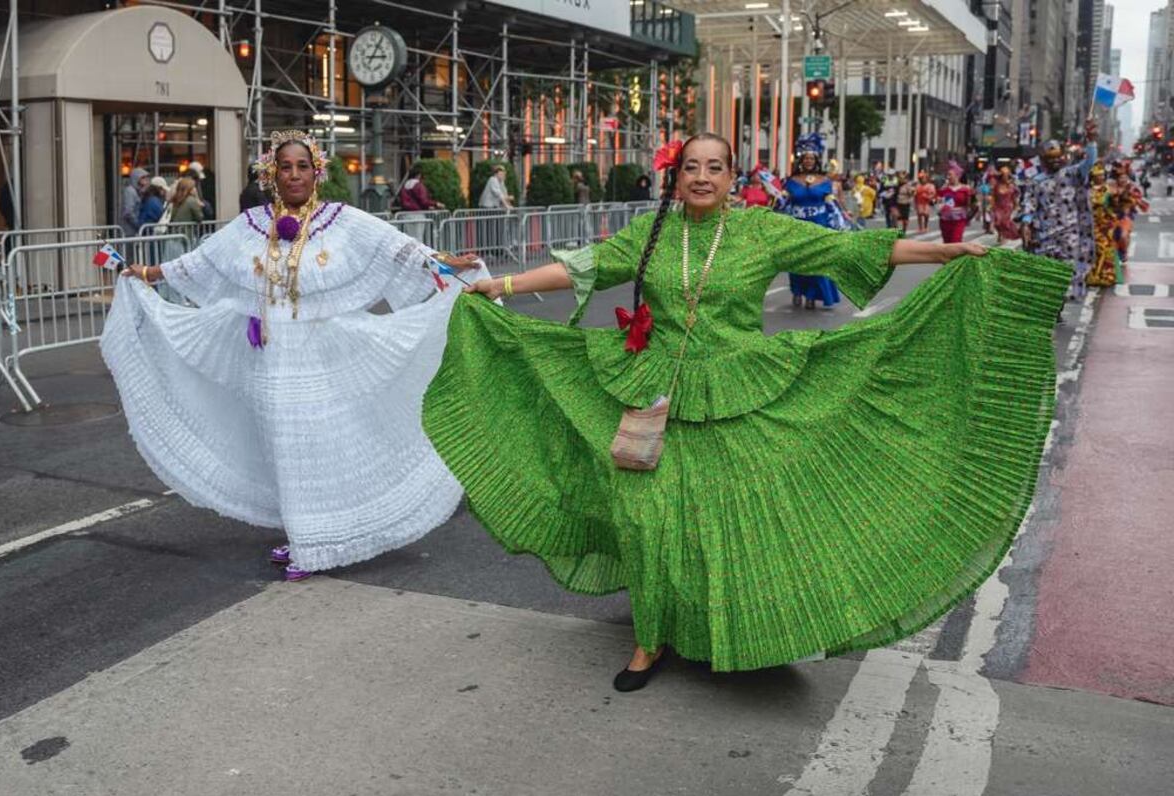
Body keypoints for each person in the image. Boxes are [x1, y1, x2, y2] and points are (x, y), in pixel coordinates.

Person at [422, 132, 1071, 692]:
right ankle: (650, 637)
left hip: (736, 390)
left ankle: (721, 625)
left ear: (734, 178)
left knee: (719, 512)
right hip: (649, 389)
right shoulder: (652, 232)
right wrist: (498, 285)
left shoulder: (760, 229)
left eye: (714, 167)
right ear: (675, 177)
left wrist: (948, 253)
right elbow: (579, 267)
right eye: (690, 168)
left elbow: (854, 254)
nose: (701, 178)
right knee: (644, 515)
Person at [100, 130, 485, 582]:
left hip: (324, 357)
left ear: (316, 171)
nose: (295, 174)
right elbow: (201, 264)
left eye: (303, 166)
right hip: (269, 361)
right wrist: (144, 272)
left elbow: (394, 247)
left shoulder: (342, 219)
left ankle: (314, 543)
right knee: (283, 448)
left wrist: (444, 263)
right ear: (271, 173)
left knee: (316, 445)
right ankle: (307, 536)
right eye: (286, 167)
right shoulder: (249, 226)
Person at [1019, 120, 1098, 302]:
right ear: (1044, 161)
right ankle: (1051, 304)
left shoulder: (1071, 174)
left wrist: (1091, 141)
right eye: (1050, 158)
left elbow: (1089, 163)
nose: (1055, 160)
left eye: (1058, 157)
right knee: (1045, 273)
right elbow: (1029, 203)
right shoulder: (1036, 181)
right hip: (1044, 235)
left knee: (1066, 272)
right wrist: (1026, 223)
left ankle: (1058, 304)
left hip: (1069, 234)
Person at [775, 133, 844, 310]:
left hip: (818, 226)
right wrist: (777, 202)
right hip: (796, 227)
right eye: (805, 158)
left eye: (811, 158)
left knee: (816, 262)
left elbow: (831, 203)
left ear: (816, 160)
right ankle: (797, 291)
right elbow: (783, 201)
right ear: (801, 160)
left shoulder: (824, 181)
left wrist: (839, 219)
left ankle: (812, 295)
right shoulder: (791, 181)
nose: (808, 161)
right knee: (797, 262)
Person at [1086, 162, 1121, 287]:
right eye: (1097, 175)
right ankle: (1092, 274)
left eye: (1102, 175)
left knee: (1106, 249)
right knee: (1092, 249)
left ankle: (1106, 275)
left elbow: (1116, 206)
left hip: (1106, 224)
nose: (1100, 177)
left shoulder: (1108, 190)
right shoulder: (1087, 190)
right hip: (1090, 224)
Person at [1110, 160, 1148, 265]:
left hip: (1126, 215)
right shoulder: (1112, 186)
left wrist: (1134, 199)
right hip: (1112, 215)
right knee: (1113, 237)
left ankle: (1124, 252)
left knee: (1123, 235)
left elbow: (1139, 200)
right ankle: (1117, 254)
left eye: (1124, 177)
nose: (1122, 179)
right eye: (1120, 177)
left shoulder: (1132, 187)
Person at [937, 165, 974, 244]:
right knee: (947, 242)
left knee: (956, 240)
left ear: (957, 176)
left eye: (950, 175)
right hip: (945, 220)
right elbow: (937, 201)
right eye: (947, 175)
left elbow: (972, 204)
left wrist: (970, 215)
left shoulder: (966, 189)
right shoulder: (944, 189)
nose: (948, 177)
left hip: (959, 219)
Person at [991, 166, 1021, 244]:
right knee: (997, 223)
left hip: (1008, 206)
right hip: (998, 206)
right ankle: (1000, 233)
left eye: (1007, 175)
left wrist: (1016, 205)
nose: (1005, 176)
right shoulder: (996, 185)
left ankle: (1004, 236)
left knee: (1005, 222)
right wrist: (991, 205)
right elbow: (993, 196)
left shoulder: (1011, 186)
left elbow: (1014, 197)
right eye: (1004, 174)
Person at [120, 168, 150, 236]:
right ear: (136, 178)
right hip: (129, 231)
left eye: (146, 178)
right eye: (143, 178)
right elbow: (128, 212)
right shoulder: (130, 191)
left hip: (133, 230)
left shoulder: (137, 192)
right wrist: (138, 225)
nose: (146, 180)